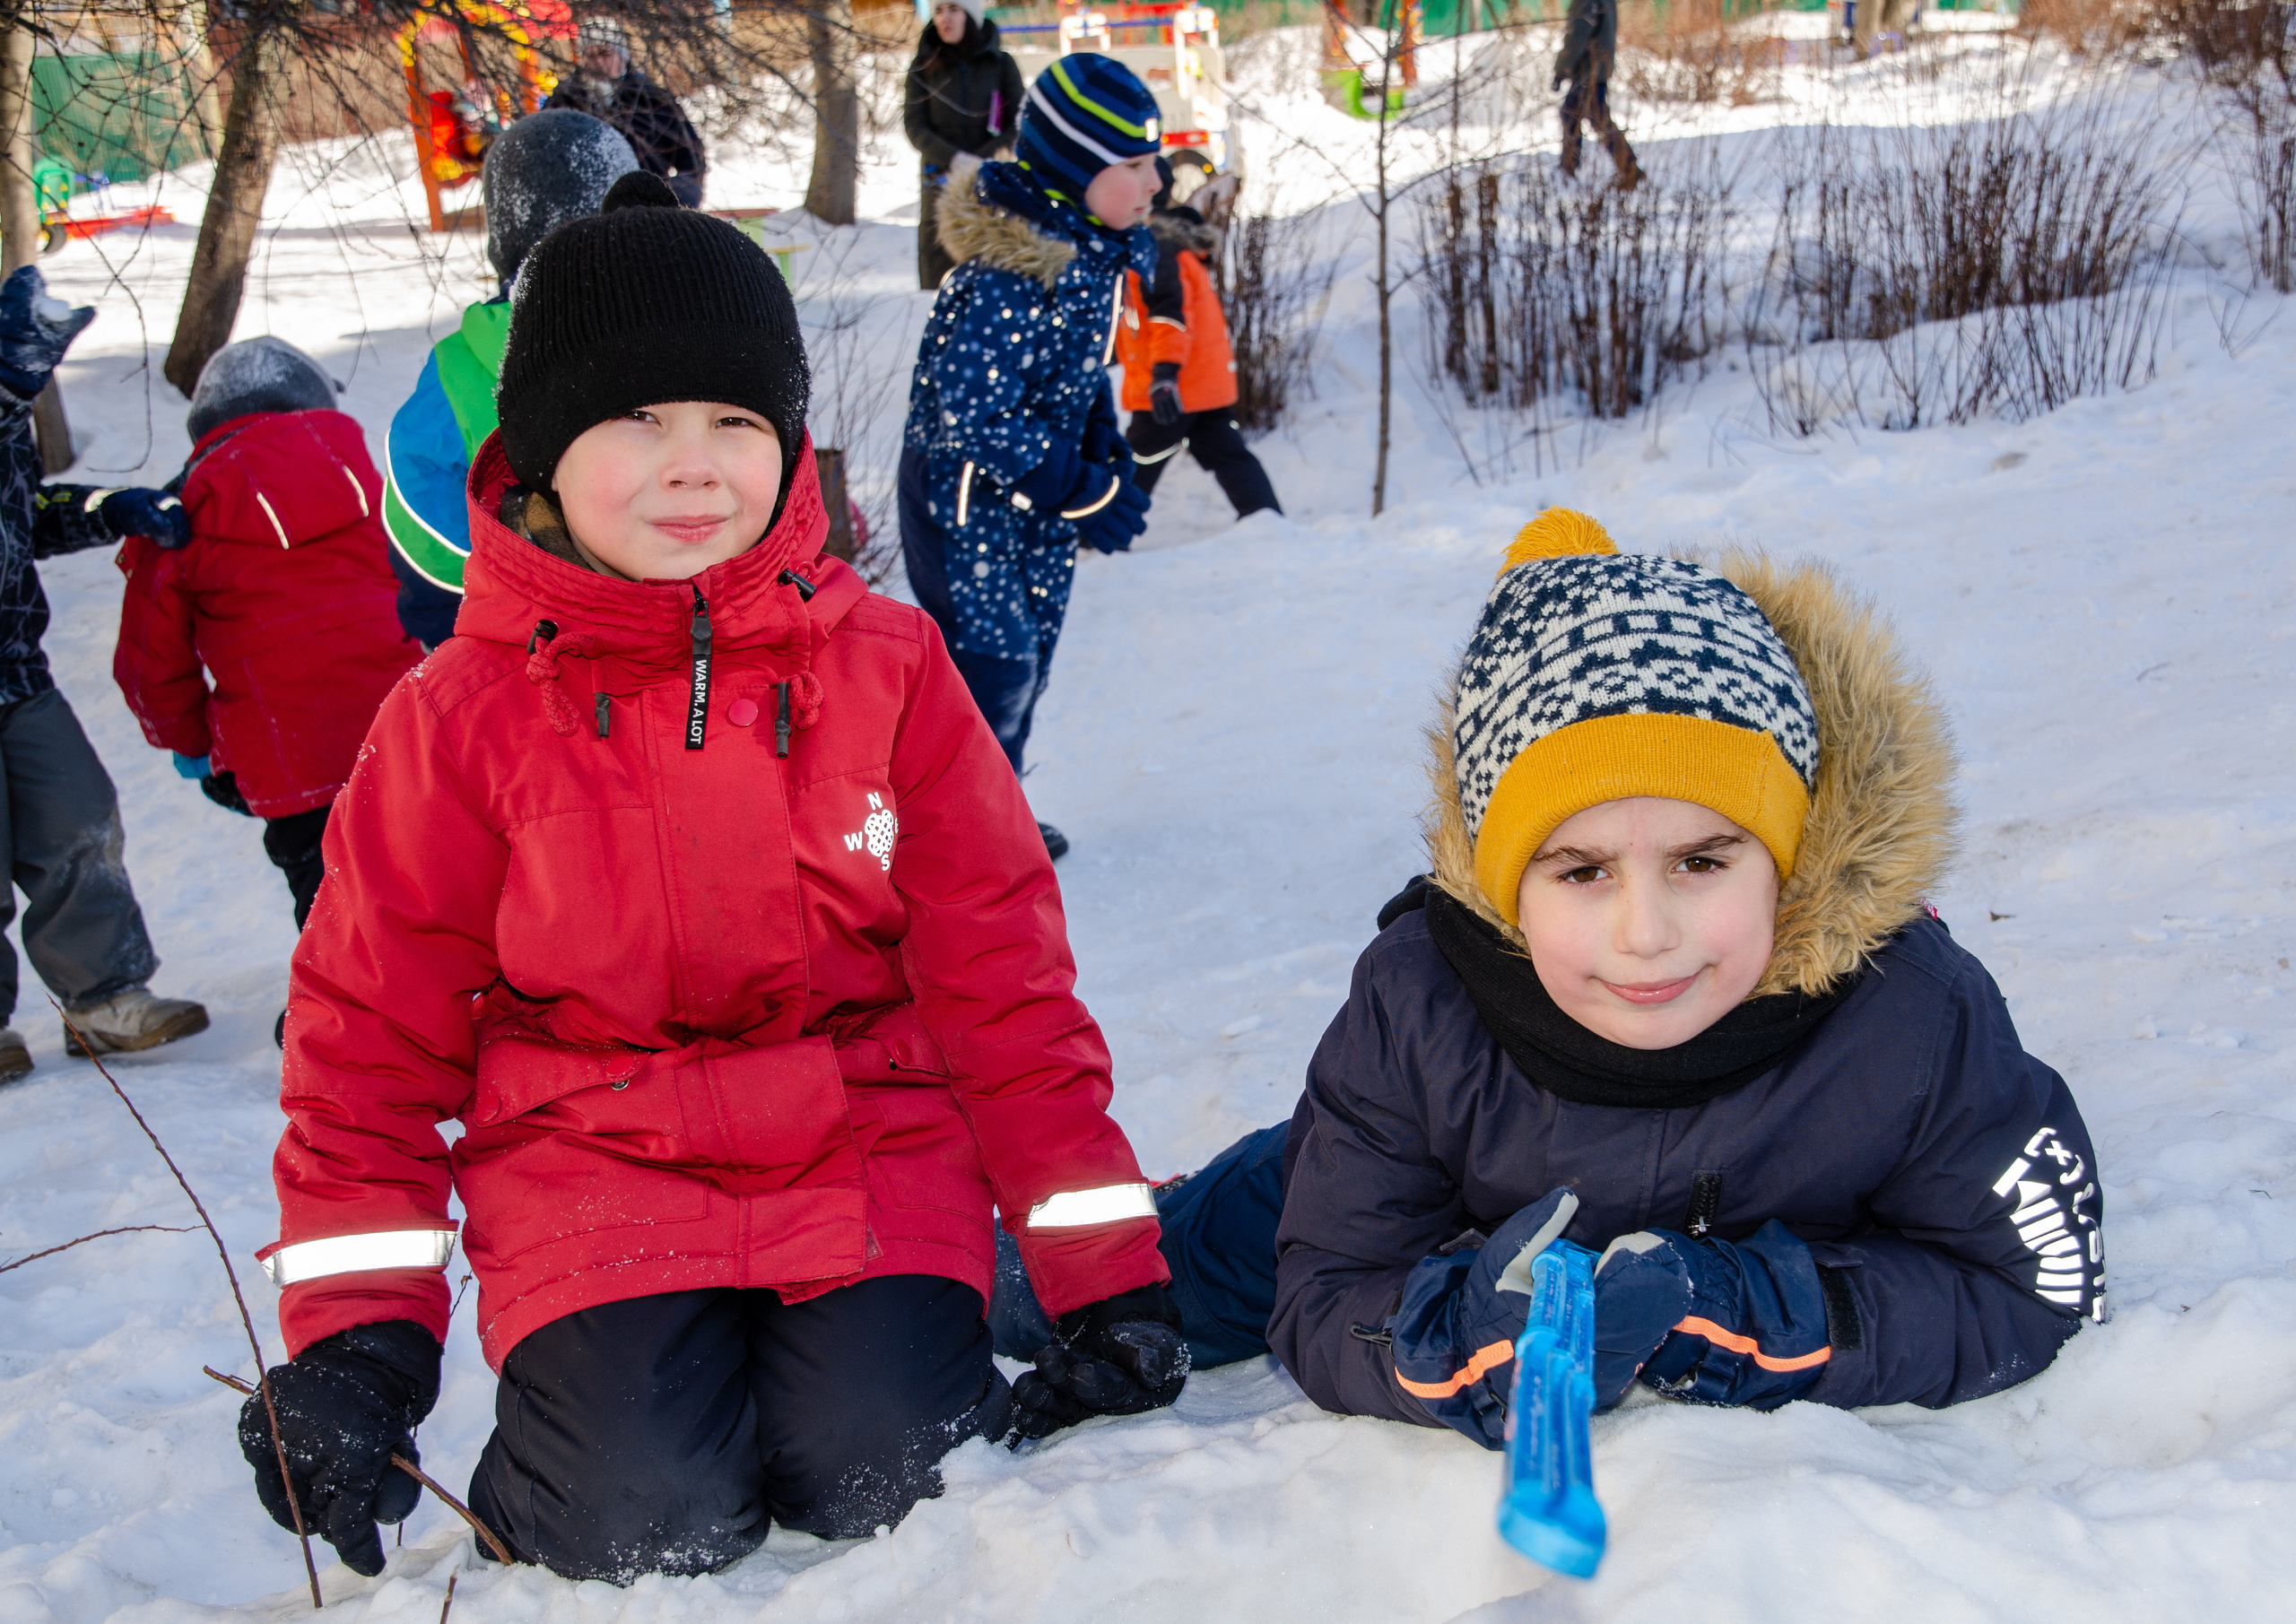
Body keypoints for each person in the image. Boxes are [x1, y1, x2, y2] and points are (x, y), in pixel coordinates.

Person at [235, 172, 1187, 1586]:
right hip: (591, 1167)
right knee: (637, 1519)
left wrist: (1105, 1270)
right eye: (637, 419)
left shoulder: (893, 672)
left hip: (864, 1145)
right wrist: (359, 1338)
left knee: (895, 1474)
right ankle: (604, 1424)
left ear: (788, 444)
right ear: (545, 451)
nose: (694, 464)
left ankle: (931, 1306)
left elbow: (1005, 991)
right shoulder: (456, 718)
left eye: (734, 421)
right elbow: (366, 1044)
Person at [994, 509, 2106, 1439]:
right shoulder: (1420, 998)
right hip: (1388, 1183)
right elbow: (1327, 1296)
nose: (1645, 933)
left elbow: (2032, 1284)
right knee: (1095, 1290)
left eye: (1702, 859)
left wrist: (1725, 1311)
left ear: (1796, 850)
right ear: (1501, 881)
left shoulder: (1907, 1017)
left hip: (1584, 1228)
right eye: (1579, 869)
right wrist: (1463, 1338)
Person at [898, 55, 1161, 862]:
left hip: (1034, 503)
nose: (1156, 183)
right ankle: (949, 834)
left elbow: (1079, 382)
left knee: (1031, 658)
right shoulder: (1003, 277)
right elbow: (975, 415)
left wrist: (1106, 459)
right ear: (1078, 170)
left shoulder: (1089, 258)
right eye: (1136, 165)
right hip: (966, 505)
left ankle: (990, 810)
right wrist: (1077, 486)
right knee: (991, 670)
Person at [111, 337, 422, 972]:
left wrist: (194, 746)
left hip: (288, 756)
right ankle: (458, 1001)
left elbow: (149, 660)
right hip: (408, 729)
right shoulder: (372, 482)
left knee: (326, 892)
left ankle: (342, 1022)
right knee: (431, 862)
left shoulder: (178, 522)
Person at [0, 265, 207, 1081]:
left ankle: (102, 1001)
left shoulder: (7, 420)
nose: (35, 377)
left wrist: (105, 510)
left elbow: (23, 514)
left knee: (79, 819)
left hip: (18, 670)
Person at [383, 109, 639, 647]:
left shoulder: (460, 365)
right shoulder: (695, 337)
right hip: (687, 663)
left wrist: (464, 629)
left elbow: (419, 518)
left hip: (512, 656)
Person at [1116, 160, 1281, 522]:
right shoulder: (1172, 245)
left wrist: (1163, 375)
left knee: (1134, 464)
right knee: (1230, 457)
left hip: (1174, 387)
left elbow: (1168, 317)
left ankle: (1098, 538)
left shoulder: (1156, 249)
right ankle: (1267, 522)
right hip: (1203, 384)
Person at [904, 0, 1024, 291]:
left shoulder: (1001, 64)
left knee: (992, 272)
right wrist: (955, 158)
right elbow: (915, 126)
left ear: (971, 15)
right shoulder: (923, 65)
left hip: (992, 180)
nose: (945, 18)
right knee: (939, 277)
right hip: (940, 182)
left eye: (954, 9)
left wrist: (983, 161)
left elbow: (1019, 122)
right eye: (938, 11)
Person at [545, 16, 707, 207]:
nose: (598, 62)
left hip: (647, 212)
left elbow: (692, 162)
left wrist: (672, 204)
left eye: (605, 54)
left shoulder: (653, 100)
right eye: (590, 56)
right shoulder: (565, 101)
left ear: (621, 55)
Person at [1554, 0, 1638, 188]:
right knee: (1577, 114)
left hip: (1589, 70)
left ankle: (1629, 168)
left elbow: (1578, 35)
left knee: (1585, 116)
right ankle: (1569, 169)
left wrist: (1562, 69)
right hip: (1596, 68)